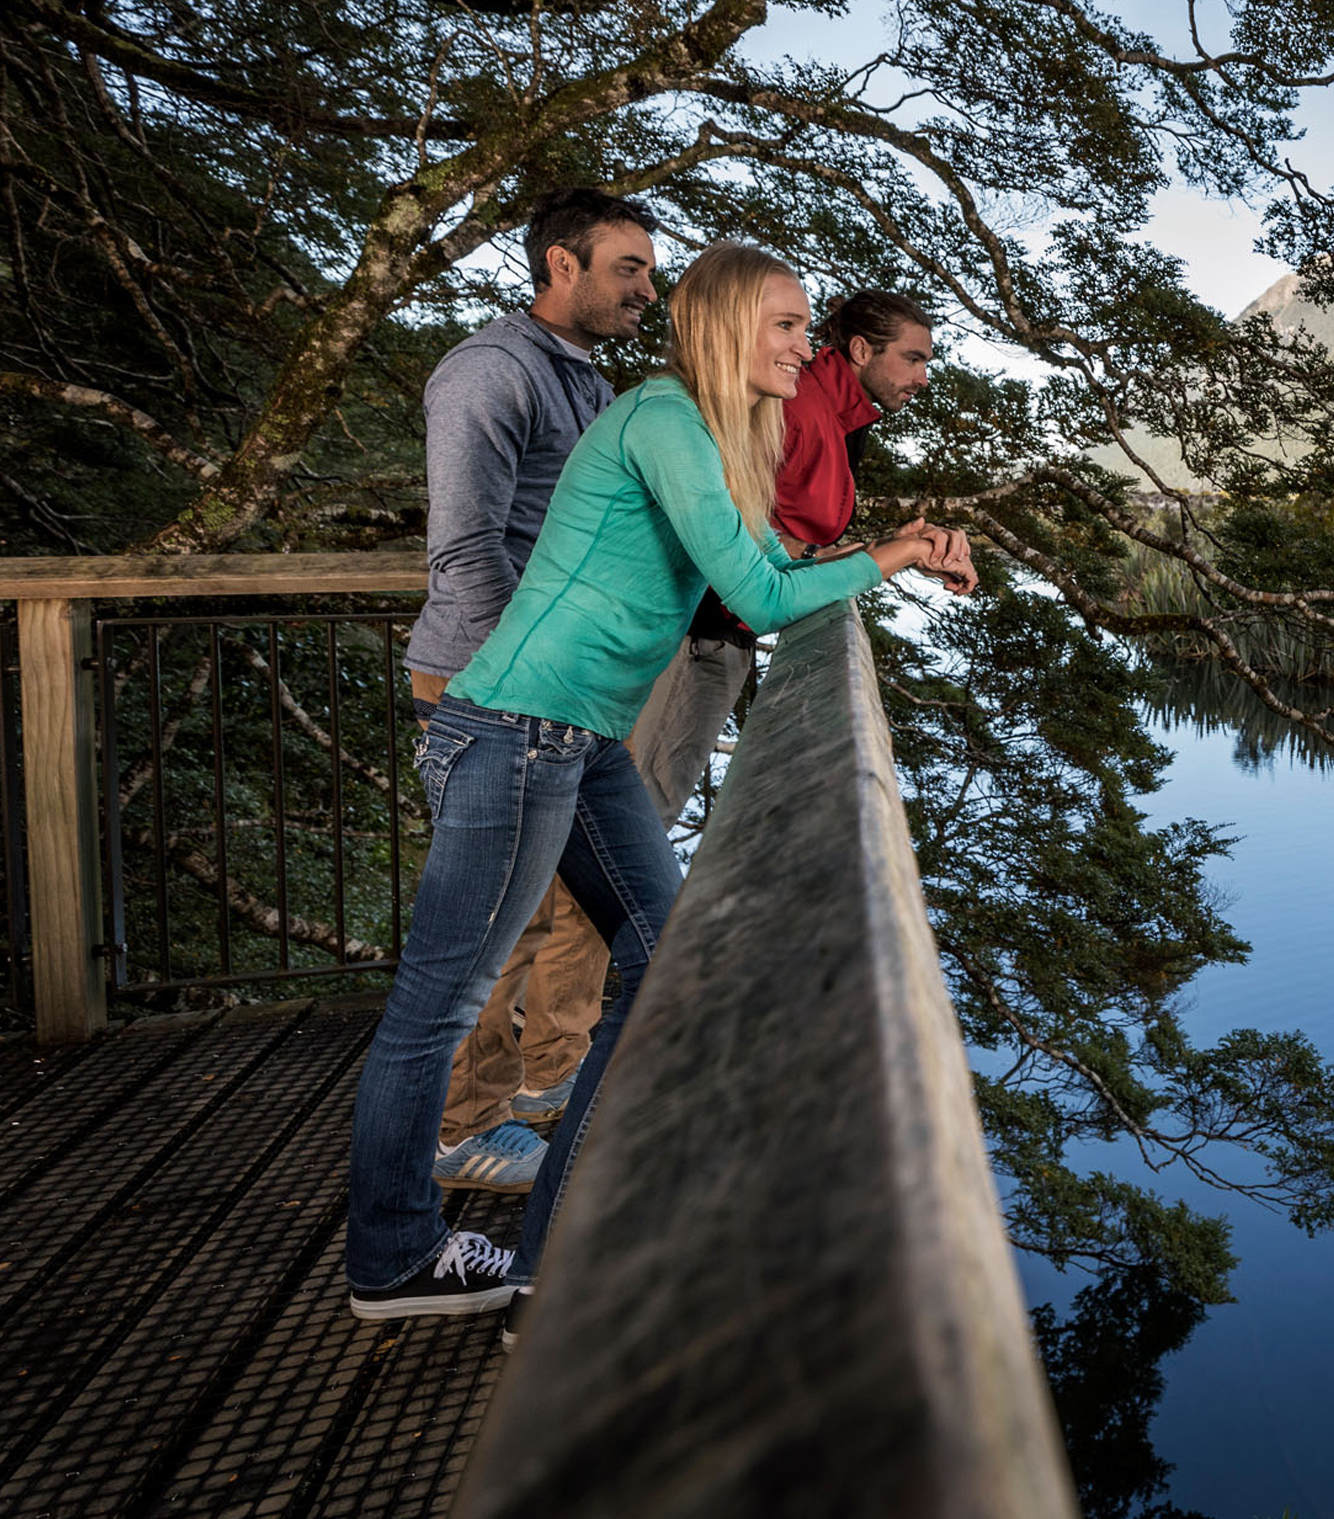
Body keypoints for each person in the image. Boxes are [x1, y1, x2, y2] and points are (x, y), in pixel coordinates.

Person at [347, 242, 973, 1320]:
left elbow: (768, 572)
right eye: (784, 324)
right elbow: (760, 593)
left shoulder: (718, 431)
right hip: (515, 728)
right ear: (727, 325)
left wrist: (891, 542)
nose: (802, 344)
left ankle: (559, 1250)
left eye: (806, 324)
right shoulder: (664, 417)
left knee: (659, 962)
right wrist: (900, 558)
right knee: (434, 1008)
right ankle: (393, 1258)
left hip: (572, 740)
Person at [402, 187, 657, 1196]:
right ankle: (459, 1131)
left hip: (565, 693)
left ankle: (549, 1082)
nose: (647, 286)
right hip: (493, 686)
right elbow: (467, 550)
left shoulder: (585, 383)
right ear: (562, 263)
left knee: (587, 915)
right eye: (628, 266)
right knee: (496, 929)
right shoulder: (489, 372)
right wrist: (539, 667)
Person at [626, 288, 969, 818]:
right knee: (640, 813)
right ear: (861, 350)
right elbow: (736, 531)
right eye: (913, 358)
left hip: (718, 633)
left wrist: (901, 548)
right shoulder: (797, 408)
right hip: (696, 638)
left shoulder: (836, 416)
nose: (923, 377)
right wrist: (894, 553)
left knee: (635, 817)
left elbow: (784, 544)